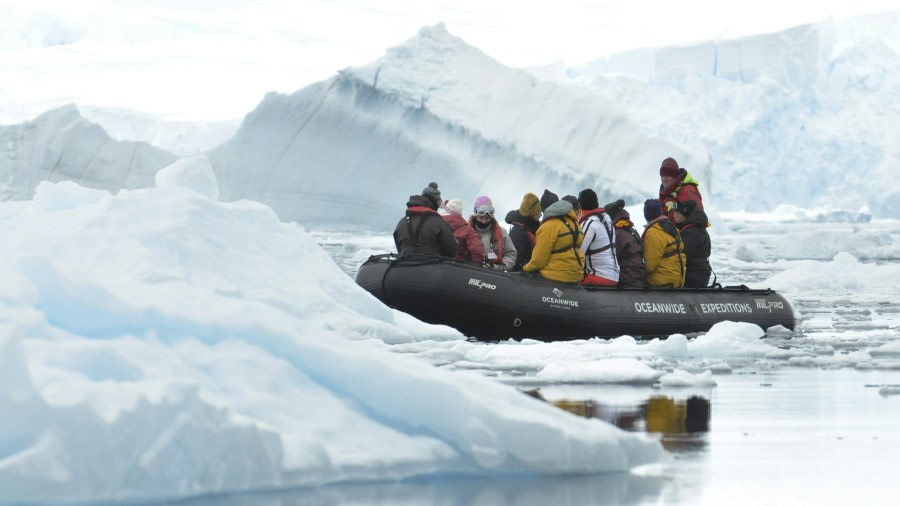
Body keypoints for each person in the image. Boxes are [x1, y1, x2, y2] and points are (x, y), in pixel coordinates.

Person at [522, 198, 585, 283]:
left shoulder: (549, 226)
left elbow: (538, 261)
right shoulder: (577, 225)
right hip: (576, 275)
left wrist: (524, 268)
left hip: (555, 275)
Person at [392, 183, 457, 258]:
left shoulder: (402, 222)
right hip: (434, 266)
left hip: (405, 266)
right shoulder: (439, 222)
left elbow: (399, 248)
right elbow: (452, 250)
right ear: (435, 203)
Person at [577, 189, 618, 286]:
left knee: (567, 278)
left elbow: (579, 253)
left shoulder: (590, 223)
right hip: (614, 274)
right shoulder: (606, 217)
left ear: (580, 206)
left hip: (599, 275)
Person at [642, 198, 686, 288]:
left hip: (662, 281)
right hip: (678, 278)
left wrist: (637, 274)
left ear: (646, 214)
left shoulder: (653, 232)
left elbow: (649, 265)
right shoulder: (671, 228)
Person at [603, 199, 646, 288]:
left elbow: (612, 258)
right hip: (639, 277)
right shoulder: (631, 230)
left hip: (627, 278)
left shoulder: (617, 233)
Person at [469, 195, 517, 270]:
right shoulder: (466, 231)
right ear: (475, 216)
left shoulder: (502, 232)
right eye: (481, 218)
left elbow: (511, 254)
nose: (483, 221)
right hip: (469, 272)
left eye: (487, 218)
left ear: (491, 217)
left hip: (493, 274)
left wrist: (498, 267)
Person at [673, 200, 712, 288]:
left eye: (678, 213)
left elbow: (684, 255)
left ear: (686, 215)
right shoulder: (696, 228)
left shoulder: (692, 232)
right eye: (674, 213)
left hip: (693, 276)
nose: (674, 216)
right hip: (700, 273)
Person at [439, 199, 485, 264]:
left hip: (434, 266)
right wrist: (476, 266)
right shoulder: (469, 231)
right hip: (460, 269)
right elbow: (477, 251)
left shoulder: (435, 224)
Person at [504, 192, 542, 271]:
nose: (540, 215)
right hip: (521, 278)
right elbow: (517, 262)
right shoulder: (518, 233)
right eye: (538, 213)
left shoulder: (529, 228)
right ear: (532, 213)